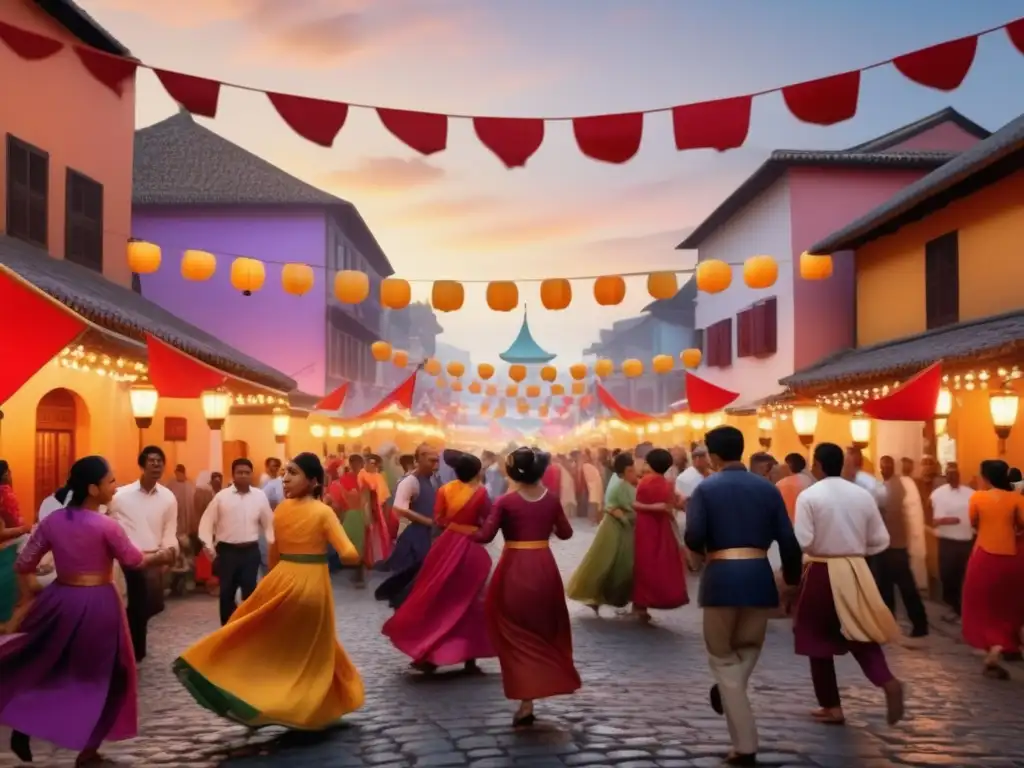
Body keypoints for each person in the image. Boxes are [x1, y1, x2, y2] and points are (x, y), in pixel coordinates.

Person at [0, 456, 172, 766]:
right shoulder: (107, 525)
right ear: (93, 489)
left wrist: (33, 592)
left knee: (51, 665)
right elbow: (133, 561)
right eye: (110, 482)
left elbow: (23, 563)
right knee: (110, 675)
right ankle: (88, 751)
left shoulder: (53, 522)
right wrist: (163, 556)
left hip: (60, 600)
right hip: (98, 605)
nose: (115, 486)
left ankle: (26, 721)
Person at [173, 453, 365, 728]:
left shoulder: (282, 511)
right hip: (312, 585)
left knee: (268, 642)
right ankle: (304, 707)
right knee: (312, 652)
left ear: (312, 481)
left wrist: (276, 578)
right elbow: (347, 552)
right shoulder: (323, 511)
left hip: (281, 579)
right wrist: (352, 556)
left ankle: (254, 691)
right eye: (286, 472)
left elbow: (275, 553)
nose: (285, 478)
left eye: (293, 473)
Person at [684, 426, 803, 767]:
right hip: (758, 577)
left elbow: (694, 535)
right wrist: (792, 578)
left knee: (722, 658)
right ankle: (727, 688)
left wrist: (702, 550)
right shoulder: (766, 488)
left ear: (714, 455)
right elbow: (788, 539)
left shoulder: (705, 489)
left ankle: (745, 743)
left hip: (721, 578)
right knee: (748, 648)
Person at [793, 443, 904, 727]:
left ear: (817, 465)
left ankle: (831, 706)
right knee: (859, 631)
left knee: (816, 637)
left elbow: (804, 540)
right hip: (856, 568)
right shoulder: (862, 496)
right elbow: (880, 540)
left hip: (821, 569)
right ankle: (886, 680)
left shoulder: (809, 496)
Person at [472, 448, 579, 726]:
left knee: (513, 631)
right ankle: (545, 679)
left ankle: (526, 699)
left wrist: (464, 526)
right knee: (544, 628)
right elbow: (566, 533)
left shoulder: (506, 502)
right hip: (544, 566)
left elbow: (485, 536)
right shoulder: (551, 500)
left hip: (515, 567)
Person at [382, 451, 494, 673]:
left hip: (445, 546)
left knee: (438, 598)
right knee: (471, 600)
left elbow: (439, 519)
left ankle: (428, 652)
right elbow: (488, 520)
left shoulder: (444, 490)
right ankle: (469, 658)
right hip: (470, 548)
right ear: (476, 471)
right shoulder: (481, 493)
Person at [108, 446, 178, 663]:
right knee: (135, 605)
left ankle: (133, 645)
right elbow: (106, 520)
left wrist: (169, 551)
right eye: (152, 461)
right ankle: (133, 651)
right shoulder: (121, 496)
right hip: (128, 560)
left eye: (160, 461)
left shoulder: (168, 497)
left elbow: (169, 529)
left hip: (155, 558)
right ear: (142, 465)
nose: (156, 465)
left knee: (151, 605)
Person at [960, 459, 1024, 679]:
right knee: (1006, 605)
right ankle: (999, 647)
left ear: (985, 477)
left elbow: (973, 522)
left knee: (980, 604)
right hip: (1010, 558)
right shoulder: (1016, 499)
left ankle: (992, 648)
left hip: (983, 556)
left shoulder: (977, 497)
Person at [197, 459, 274, 626]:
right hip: (227, 552)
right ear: (233, 475)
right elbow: (206, 524)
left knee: (250, 594)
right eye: (240, 472)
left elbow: (269, 522)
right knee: (226, 594)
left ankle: (247, 629)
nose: (244, 476)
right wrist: (210, 549)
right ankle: (227, 630)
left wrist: (272, 545)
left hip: (250, 552)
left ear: (251, 475)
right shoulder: (221, 497)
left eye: (247, 473)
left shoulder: (259, 496)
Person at [566, 451, 637, 614]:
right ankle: (594, 597)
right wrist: (626, 519)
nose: (633, 473)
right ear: (624, 471)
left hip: (624, 530)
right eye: (630, 470)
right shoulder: (619, 485)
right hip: (614, 529)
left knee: (619, 565)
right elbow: (611, 507)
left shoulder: (626, 483)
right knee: (604, 564)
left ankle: (604, 598)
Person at [375, 445, 440, 608]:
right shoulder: (410, 481)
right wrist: (427, 521)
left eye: (437, 460)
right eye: (431, 460)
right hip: (413, 537)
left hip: (429, 535)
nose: (436, 464)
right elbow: (400, 508)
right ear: (418, 460)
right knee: (409, 579)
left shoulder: (433, 480)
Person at [874, 455, 929, 638]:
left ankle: (919, 625)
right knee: (886, 588)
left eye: (888, 466)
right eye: (882, 466)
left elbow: (909, 516)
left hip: (897, 547)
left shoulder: (899, 486)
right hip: (886, 546)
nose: (885, 469)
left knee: (905, 588)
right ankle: (891, 625)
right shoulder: (884, 486)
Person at [631, 448, 688, 623]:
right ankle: (644, 603)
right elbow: (673, 505)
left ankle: (639, 604)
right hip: (662, 527)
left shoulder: (644, 482)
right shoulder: (668, 484)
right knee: (658, 562)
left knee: (642, 563)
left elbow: (635, 504)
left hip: (644, 526)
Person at [929, 461, 974, 620]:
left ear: (959, 476)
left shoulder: (971, 494)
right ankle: (952, 605)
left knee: (965, 577)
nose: (953, 476)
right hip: (947, 543)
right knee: (948, 575)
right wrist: (946, 520)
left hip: (966, 542)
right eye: (949, 474)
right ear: (945, 476)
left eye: (955, 474)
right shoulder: (937, 494)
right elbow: (931, 520)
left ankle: (961, 609)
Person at [328, 454, 368, 586]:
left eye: (360, 464)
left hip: (360, 515)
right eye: (356, 464)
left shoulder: (365, 479)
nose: (358, 467)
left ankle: (359, 573)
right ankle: (354, 570)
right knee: (350, 543)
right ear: (351, 464)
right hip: (350, 515)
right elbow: (337, 502)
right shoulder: (344, 480)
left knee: (360, 545)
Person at [0, 461, 30, 627]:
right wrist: (24, 529)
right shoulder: (6, 493)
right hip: (10, 546)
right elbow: (11, 525)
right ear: (5, 474)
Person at [359, 454, 393, 567]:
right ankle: (369, 559)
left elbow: (384, 497)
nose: (370, 465)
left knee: (378, 532)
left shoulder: (379, 476)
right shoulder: (362, 474)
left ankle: (378, 559)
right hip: (365, 506)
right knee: (368, 532)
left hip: (377, 507)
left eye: (373, 463)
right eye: (368, 462)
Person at [776, 453, 813, 522]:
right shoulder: (809, 481)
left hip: (789, 523)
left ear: (788, 465)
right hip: (806, 521)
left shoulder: (781, 484)